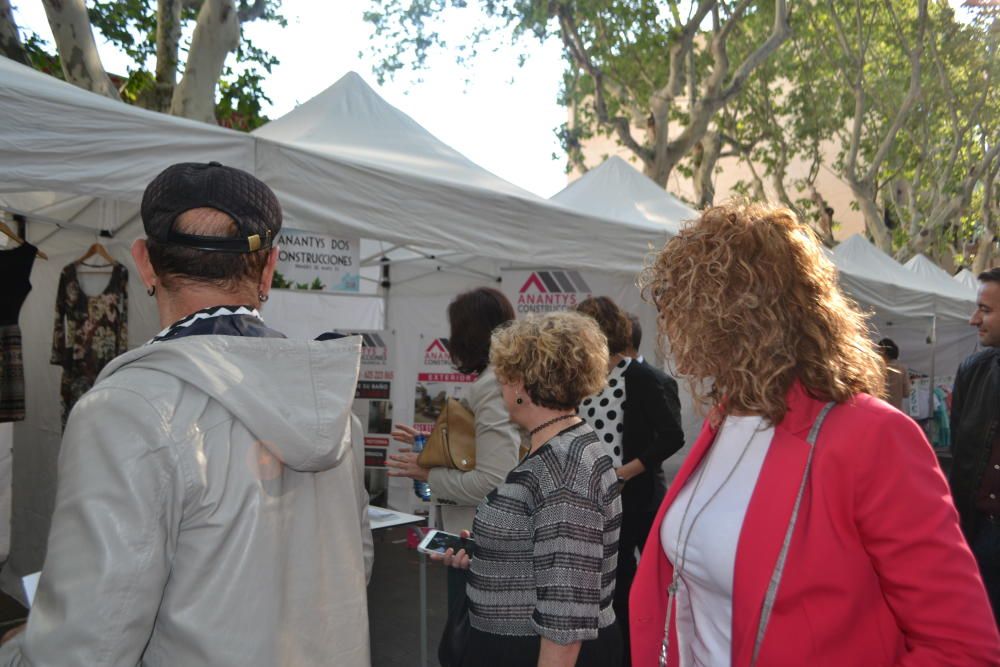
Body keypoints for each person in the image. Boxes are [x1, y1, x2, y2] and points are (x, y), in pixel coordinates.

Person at [0, 162, 373, 666]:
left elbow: (90, 645)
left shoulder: (127, 411)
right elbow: (356, 569)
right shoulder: (331, 407)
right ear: (269, 269)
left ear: (145, 264)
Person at [630, 201, 999, 666]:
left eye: (686, 305)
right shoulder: (725, 418)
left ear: (738, 314)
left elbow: (960, 647)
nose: (671, 324)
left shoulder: (871, 437)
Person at [438, 311, 623, 667]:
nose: (501, 387)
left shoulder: (564, 466)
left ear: (521, 384)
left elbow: (566, 616)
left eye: (503, 377)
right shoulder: (561, 447)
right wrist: (492, 554)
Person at [574, 296, 683, 667]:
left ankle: (639, 656)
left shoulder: (643, 378)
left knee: (630, 587)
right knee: (610, 588)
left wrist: (624, 473)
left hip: (636, 499)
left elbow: (672, 437)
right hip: (596, 501)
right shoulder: (587, 381)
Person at [387, 287, 522, 532]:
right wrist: (437, 444)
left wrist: (428, 474)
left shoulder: (492, 385)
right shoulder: (501, 379)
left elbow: (495, 481)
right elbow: (489, 448)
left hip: (478, 539)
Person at [950, 267, 1000, 627]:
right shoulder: (973, 371)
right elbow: (960, 456)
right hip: (979, 535)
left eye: (985, 309)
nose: (973, 320)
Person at [877, 337, 912, 412]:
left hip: (881, 411)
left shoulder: (877, 369)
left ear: (883, 350)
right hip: (897, 411)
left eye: (878, 350)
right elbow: (906, 393)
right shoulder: (902, 369)